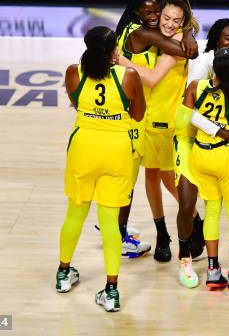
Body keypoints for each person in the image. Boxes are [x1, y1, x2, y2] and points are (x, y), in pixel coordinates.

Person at [56, 26, 145, 312]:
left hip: (83, 146)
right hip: (116, 149)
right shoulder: (128, 75)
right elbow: (139, 114)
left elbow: (75, 102)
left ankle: (63, 274)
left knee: (75, 214)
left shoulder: (73, 72)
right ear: (112, 50)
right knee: (109, 223)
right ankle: (111, 290)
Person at [125, 0, 200, 263]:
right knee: (151, 177)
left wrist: (122, 62)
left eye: (174, 19)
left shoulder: (180, 43)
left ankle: (194, 222)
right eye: (163, 16)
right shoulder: (152, 35)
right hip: (144, 118)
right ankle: (161, 232)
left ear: (183, 22)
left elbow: (154, 78)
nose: (165, 22)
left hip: (169, 121)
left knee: (171, 179)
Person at [182, 48, 229, 293]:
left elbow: (184, 117)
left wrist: (209, 126)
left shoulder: (195, 87)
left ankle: (213, 271)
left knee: (211, 211)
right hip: (228, 158)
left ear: (213, 68)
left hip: (201, 155)